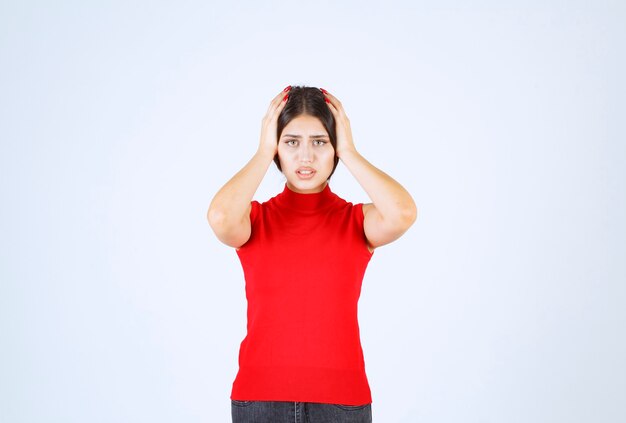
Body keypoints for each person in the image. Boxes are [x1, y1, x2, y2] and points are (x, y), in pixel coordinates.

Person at [207, 85, 417, 423]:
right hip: (260, 400)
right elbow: (220, 218)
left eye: (320, 142)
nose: (306, 157)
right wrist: (262, 153)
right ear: (276, 147)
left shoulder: (356, 222)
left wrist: (348, 150)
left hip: (342, 401)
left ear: (334, 147)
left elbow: (402, 213)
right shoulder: (254, 221)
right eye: (291, 142)